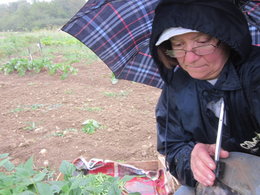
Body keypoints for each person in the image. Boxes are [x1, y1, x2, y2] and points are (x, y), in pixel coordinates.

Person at [149, 0, 260, 194]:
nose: (189, 58)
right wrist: (190, 157)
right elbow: (172, 147)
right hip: (219, 183)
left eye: (201, 43)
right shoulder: (177, 87)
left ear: (226, 38)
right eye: (178, 45)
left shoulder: (255, 75)